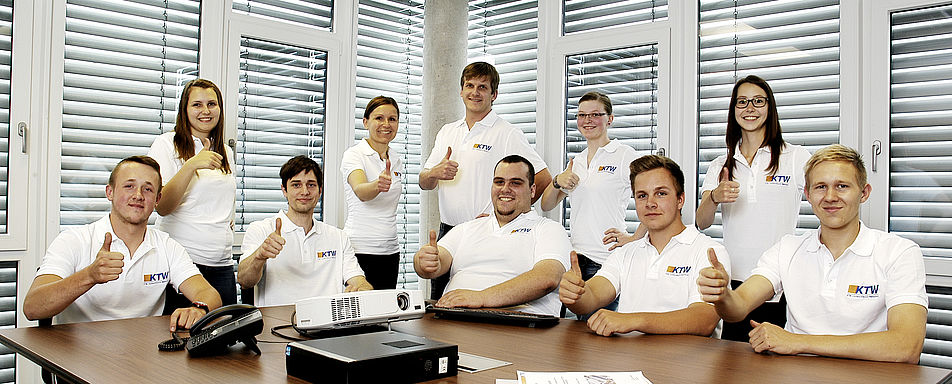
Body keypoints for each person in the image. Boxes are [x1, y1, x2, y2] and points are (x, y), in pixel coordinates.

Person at [697, 144, 927, 363]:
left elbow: (906, 346)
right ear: (807, 193)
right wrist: (723, 294)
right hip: (795, 375)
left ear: (864, 193)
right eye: (820, 187)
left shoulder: (899, 252)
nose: (830, 197)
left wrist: (797, 342)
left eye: (842, 186)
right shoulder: (787, 248)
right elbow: (738, 308)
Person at [23, 156, 222, 331]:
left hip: (143, 356)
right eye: (129, 186)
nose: (138, 195)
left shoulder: (166, 245)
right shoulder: (74, 240)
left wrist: (199, 308)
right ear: (109, 192)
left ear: (157, 199)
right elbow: (32, 308)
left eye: (148, 189)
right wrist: (89, 275)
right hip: (80, 359)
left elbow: (209, 294)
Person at [419, 62, 552, 300]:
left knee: (480, 302)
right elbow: (424, 182)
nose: (475, 92)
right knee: (440, 306)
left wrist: (502, 213)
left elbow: (542, 178)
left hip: (484, 232)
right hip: (448, 232)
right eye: (469, 85)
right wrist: (434, 173)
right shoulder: (447, 131)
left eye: (483, 87)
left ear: (494, 94)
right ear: (461, 91)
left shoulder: (506, 133)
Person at [559, 155, 729, 337]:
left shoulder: (708, 252)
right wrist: (574, 294)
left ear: (680, 199)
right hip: (629, 361)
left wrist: (633, 320)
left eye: (661, 193)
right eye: (642, 196)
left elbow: (704, 320)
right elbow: (591, 296)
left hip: (684, 363)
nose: (650, 203)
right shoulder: (625, 254)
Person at [695, 75, 810, 340]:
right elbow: (702, 222)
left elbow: (823, 196)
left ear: (769, 108)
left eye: (758, 101)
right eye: (742, 102)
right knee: (732, 364)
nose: (750, 108)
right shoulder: (720, 165)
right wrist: (713, 196)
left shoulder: (794, 157)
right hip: (733, 281)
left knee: (774, 366)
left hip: (778, 282)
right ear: (733, 110)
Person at [414, 155, 569, 316]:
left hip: (518, 326)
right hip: (454, 317)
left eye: (515, 183)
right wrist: (424, 262)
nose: (505, 189)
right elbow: (434, 264)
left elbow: (547, 278)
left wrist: (480, 298)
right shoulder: (468, 228)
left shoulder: (548, 229)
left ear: (532, 190)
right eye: (499, 182)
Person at [540, 91, 647, 318]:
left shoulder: (623, 155)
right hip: (576, 259)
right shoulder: (576, 162)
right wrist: (558, 181)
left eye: (595, 114)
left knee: (598, 334)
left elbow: (651, 195)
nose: (587, 120)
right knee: (571, 337)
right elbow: (547, 204)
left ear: (610, 119)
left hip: (606, 262)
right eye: (582, 115)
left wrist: (635, 238)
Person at [147, 78, 238, 307]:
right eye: (197, 105)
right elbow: (162, 207)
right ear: (184, 110)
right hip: (183, 264)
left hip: (222, 265)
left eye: (212, 104)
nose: (205, 111)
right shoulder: (166, 144)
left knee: (227, 340)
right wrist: (191, 165)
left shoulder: (225, 150)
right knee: (181, 339)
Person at [238, 155, 372, 306]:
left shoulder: (338, 237)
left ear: (320, 190)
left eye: (311, 185)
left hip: (328, 324)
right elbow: (244, 281)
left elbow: (359, 281)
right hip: (277, 325)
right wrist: (260, 256)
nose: (305, 192)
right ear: (284, 190)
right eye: (296, 185)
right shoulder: (261, 230)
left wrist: (361, 291)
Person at [340, 96, 403, 289]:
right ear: (366, 122)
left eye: (392, 119)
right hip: (360, 249)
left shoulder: (395, 158)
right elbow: (360, 190)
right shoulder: (354, 155)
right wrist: (377, 184)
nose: (386, 124)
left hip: (390, 251)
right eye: (379, 118)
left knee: (384, 315)